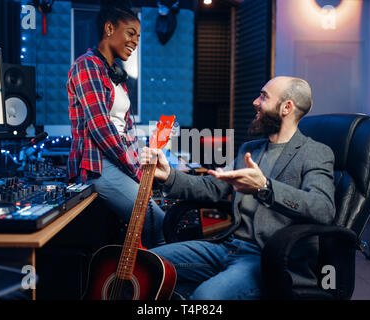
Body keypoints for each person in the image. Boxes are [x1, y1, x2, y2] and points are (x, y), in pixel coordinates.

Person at [142, 76, 336, 299]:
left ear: (286, 107)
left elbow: (323, 209)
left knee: (206, 298)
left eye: (263, 96)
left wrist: (264, 187)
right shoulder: (250, 149)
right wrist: (168, 176)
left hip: (268, 259)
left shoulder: (315, 152)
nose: (255, 102)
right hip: (228, 247)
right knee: (145, 265)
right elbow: (212, 187)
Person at [67, 0, 165, 248]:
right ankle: (160, 283)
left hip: (118, 161)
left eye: (138, 37)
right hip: (98, 165)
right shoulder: (86, 66)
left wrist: (141, 167)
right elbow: (101, 127)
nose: (135, 41)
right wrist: (135, 170)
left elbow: (127, 129)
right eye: (131, 33)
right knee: (157, 221)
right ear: (109, 29)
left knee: (160, 216)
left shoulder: (116, 74)